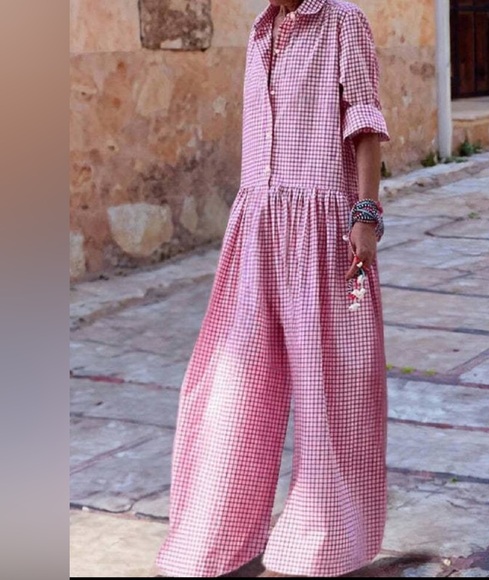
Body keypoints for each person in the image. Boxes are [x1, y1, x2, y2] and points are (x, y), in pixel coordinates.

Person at [156, 0, 390, 576]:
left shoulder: (344, 22)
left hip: (326, 232)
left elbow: (365, 123)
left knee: (331, 391)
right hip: (258, 227)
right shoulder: (260, 33)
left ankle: (323, 543)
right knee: (232, 384)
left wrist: (365, 216)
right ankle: (214, 539)